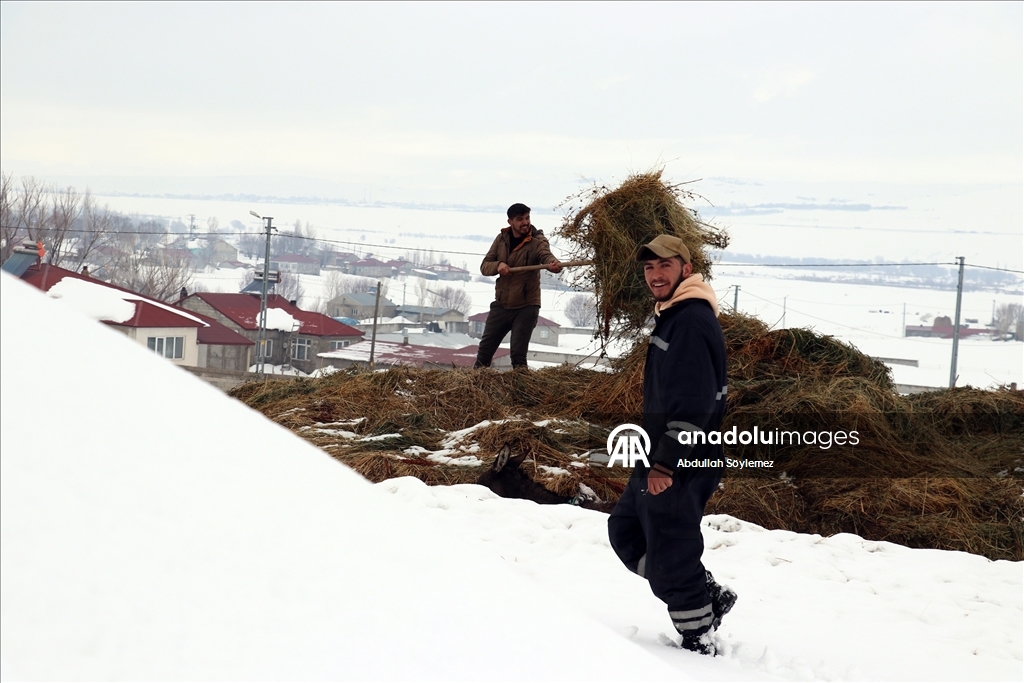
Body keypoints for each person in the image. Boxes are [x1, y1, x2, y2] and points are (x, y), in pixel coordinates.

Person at [607, 234, 737, 656]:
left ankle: (698, 637)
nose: (655, 275)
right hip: (662, 452)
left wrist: (665, 465)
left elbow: (694, 404)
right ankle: (705, 592)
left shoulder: (691, 321)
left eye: (664, 265)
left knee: (668, 552)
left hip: (681, 460)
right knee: (626, 529)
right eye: (648, 268)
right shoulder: (674, 314)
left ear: (686, 267)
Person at [475, 203, 561, 369]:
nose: (525, 222)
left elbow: (546, 255)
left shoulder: (537, 241)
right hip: (501, 305)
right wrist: (498, 265)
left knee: (518, 355)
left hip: (526, 306)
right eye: (520, 219)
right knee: (484, 353)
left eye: (527, 218)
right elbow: (485, 266)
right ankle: (474, 389)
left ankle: (521, 390)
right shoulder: (501, 239)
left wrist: (553, 264)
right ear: (510, 221)